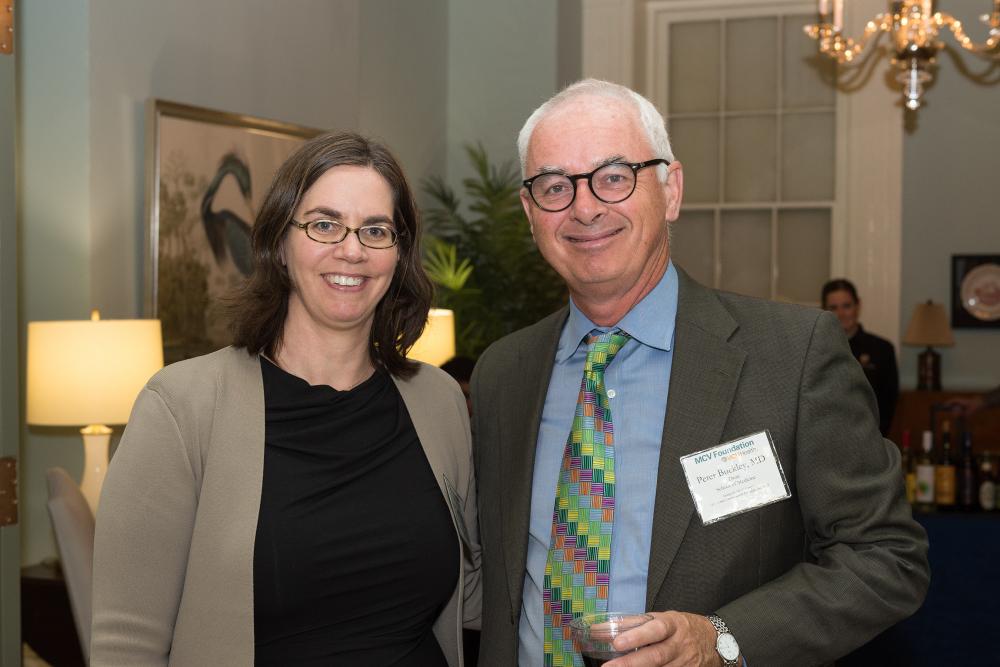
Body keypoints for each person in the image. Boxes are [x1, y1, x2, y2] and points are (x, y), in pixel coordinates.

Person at [470, 79, 928, 667]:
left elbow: (887, 558)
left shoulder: (791, 356)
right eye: (554, 186)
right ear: (531, 212)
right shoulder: (502, 373)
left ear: (671, 189)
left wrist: (723, 640)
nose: (584, 207)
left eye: (613, 176)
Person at [91, 132, 481, 666]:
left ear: (399, 253)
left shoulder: (437, 400)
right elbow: (126, 646)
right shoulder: (182, 408)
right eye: (324, 224)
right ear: (279, 241)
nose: (352, 249)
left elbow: (478, 593)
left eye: (376, 230)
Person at [821, 278, 900, 436]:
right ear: (824, 310)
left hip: (871, 438)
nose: (841, 314)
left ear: (858, 305)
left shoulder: (882, 350)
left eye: (847, 306)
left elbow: (888, 403)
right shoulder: (816, 349)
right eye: (833, 308)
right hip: (825, 439)